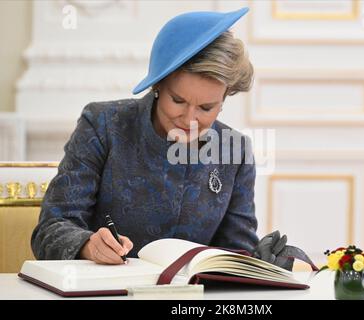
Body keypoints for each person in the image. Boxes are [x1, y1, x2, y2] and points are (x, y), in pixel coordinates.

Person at [31, 7, 312, 271]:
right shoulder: (104, 124)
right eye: (177, 100)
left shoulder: (234, 150)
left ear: (224, 99)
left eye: (206, 108)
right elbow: (51, 228)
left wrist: (264, 259)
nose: (190, 119)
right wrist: (87, 246)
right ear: (158, 85)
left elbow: (235, 251)